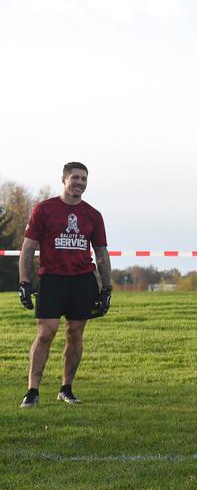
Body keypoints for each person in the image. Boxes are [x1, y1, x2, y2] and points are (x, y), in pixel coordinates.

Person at [18, 162, 111, 408]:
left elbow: (101, 253)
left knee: (75, 334)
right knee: (45, 333)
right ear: (64, 179)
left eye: (84, 179)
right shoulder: (44, 209)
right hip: (52, 279)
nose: (80, 183)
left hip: (82, 281)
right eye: (76, 178)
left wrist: (107, 288)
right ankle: (32, 391)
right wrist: (24, 282)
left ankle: (66, 389)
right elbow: (28, 249)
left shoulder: (93, 215)